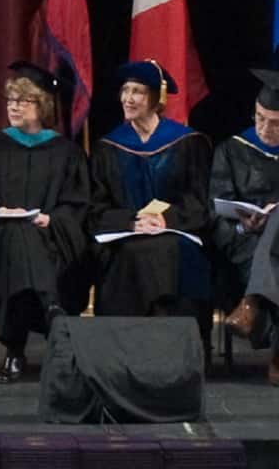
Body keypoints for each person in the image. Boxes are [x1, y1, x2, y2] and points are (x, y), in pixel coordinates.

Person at [0, 61, 89, 382]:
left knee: (23, 241)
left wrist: (51, 218)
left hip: (51, 238)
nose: (14, 107)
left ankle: (14, 351)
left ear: (43, 105)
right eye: (11, 100)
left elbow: (77, 204)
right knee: (16, 233)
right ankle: (50, 306)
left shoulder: (66, 153)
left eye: (23, 101)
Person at [89, 60, 212, 329]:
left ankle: (173, 345)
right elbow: (97, 205)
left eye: (138, 92)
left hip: (175, 232)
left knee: (170, 248)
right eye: (125, 90)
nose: (128, 99)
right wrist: (131, 222)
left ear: (157, 98)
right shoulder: (108, 147)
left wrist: (166, 220)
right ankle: (128, 348)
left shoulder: (186, 142)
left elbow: (198, 200)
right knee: (130, 251)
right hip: (126, 234)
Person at [212, 68, 279, 382]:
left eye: (275, 122)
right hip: (244, 242)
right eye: (259, 117)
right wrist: (244, 225)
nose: (264, 128)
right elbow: (216, 207)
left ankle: (251, 302)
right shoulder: (232, 150)